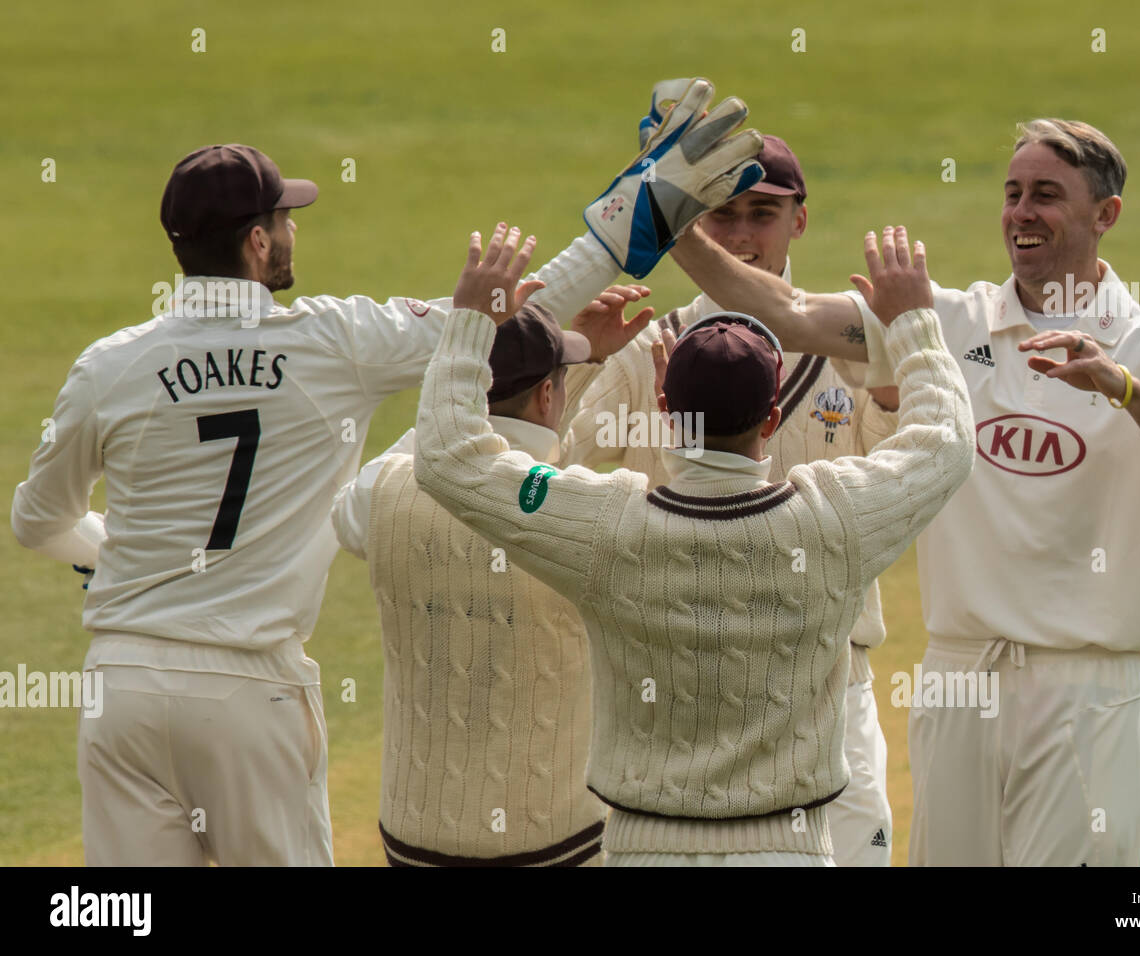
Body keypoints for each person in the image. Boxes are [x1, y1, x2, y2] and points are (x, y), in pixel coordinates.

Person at [9, 89, 759, 865]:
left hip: (121, 686)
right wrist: (638, 211)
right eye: (286, 218)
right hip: (248, 693)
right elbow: (500, 320)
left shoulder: (106, 366)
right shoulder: (337, 341)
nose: (293, 229)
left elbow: (37, 522)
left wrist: (116, 558)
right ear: (259, 244)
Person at [667, 119, 1140, 865]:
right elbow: (785, 314)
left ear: (1106, 215)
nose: (1021, 212)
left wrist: (1124, 388)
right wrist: (664, 216)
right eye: (1012, 194)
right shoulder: (942, 322)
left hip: (1084, 687)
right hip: (955, 679)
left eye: (1046, 194)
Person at [411, 221, 973, 866]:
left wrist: (472, 323)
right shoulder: (834, 520)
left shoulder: (605, 526)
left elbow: (449, 456)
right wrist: (914, 324)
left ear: (664, 407)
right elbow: (946, 443)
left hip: (643, 850)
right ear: (772, 417)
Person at [566, 134, 900, 865]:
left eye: (763, 213)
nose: (743, 236)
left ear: (799, 221)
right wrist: (577, 358)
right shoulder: (642, 345)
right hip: (678, 685)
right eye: (722, 215)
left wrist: (892, 361)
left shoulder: (851, 346)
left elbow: (901, 465)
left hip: (828, 681)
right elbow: (555, 458)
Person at [330, 290, 652, 867]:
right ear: (550, 393)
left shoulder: (383, 495)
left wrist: (449, 414)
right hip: (557, 843)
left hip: (414, 842)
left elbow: (396, 487)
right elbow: (534, 473)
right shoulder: (591, 512)